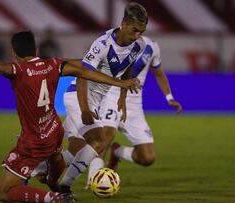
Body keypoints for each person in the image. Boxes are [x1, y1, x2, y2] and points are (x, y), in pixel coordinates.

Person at [0, 31, 139, 203]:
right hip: (54, 130)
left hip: (34, 141)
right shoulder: (52, 65)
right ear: (36, 49)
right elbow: (85, 70)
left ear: (14, 53)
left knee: (4, 193)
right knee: (56, 161)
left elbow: (0, 67)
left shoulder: (18, 70)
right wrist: (120, 82)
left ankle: (53, 197)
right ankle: (54, 184)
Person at [53, 2, 182, 191]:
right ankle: (72, 185)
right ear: (124, 23)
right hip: (81, 97)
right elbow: (82, 73)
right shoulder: (102, 44)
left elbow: (128, 69)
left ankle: (40, 171)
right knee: (99, 140)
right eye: (135, 30)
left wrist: (123, 99)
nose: (138, 35)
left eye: (142, 31)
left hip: (106, 101)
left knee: (78, 150)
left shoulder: (139, 46)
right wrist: (85, 108)